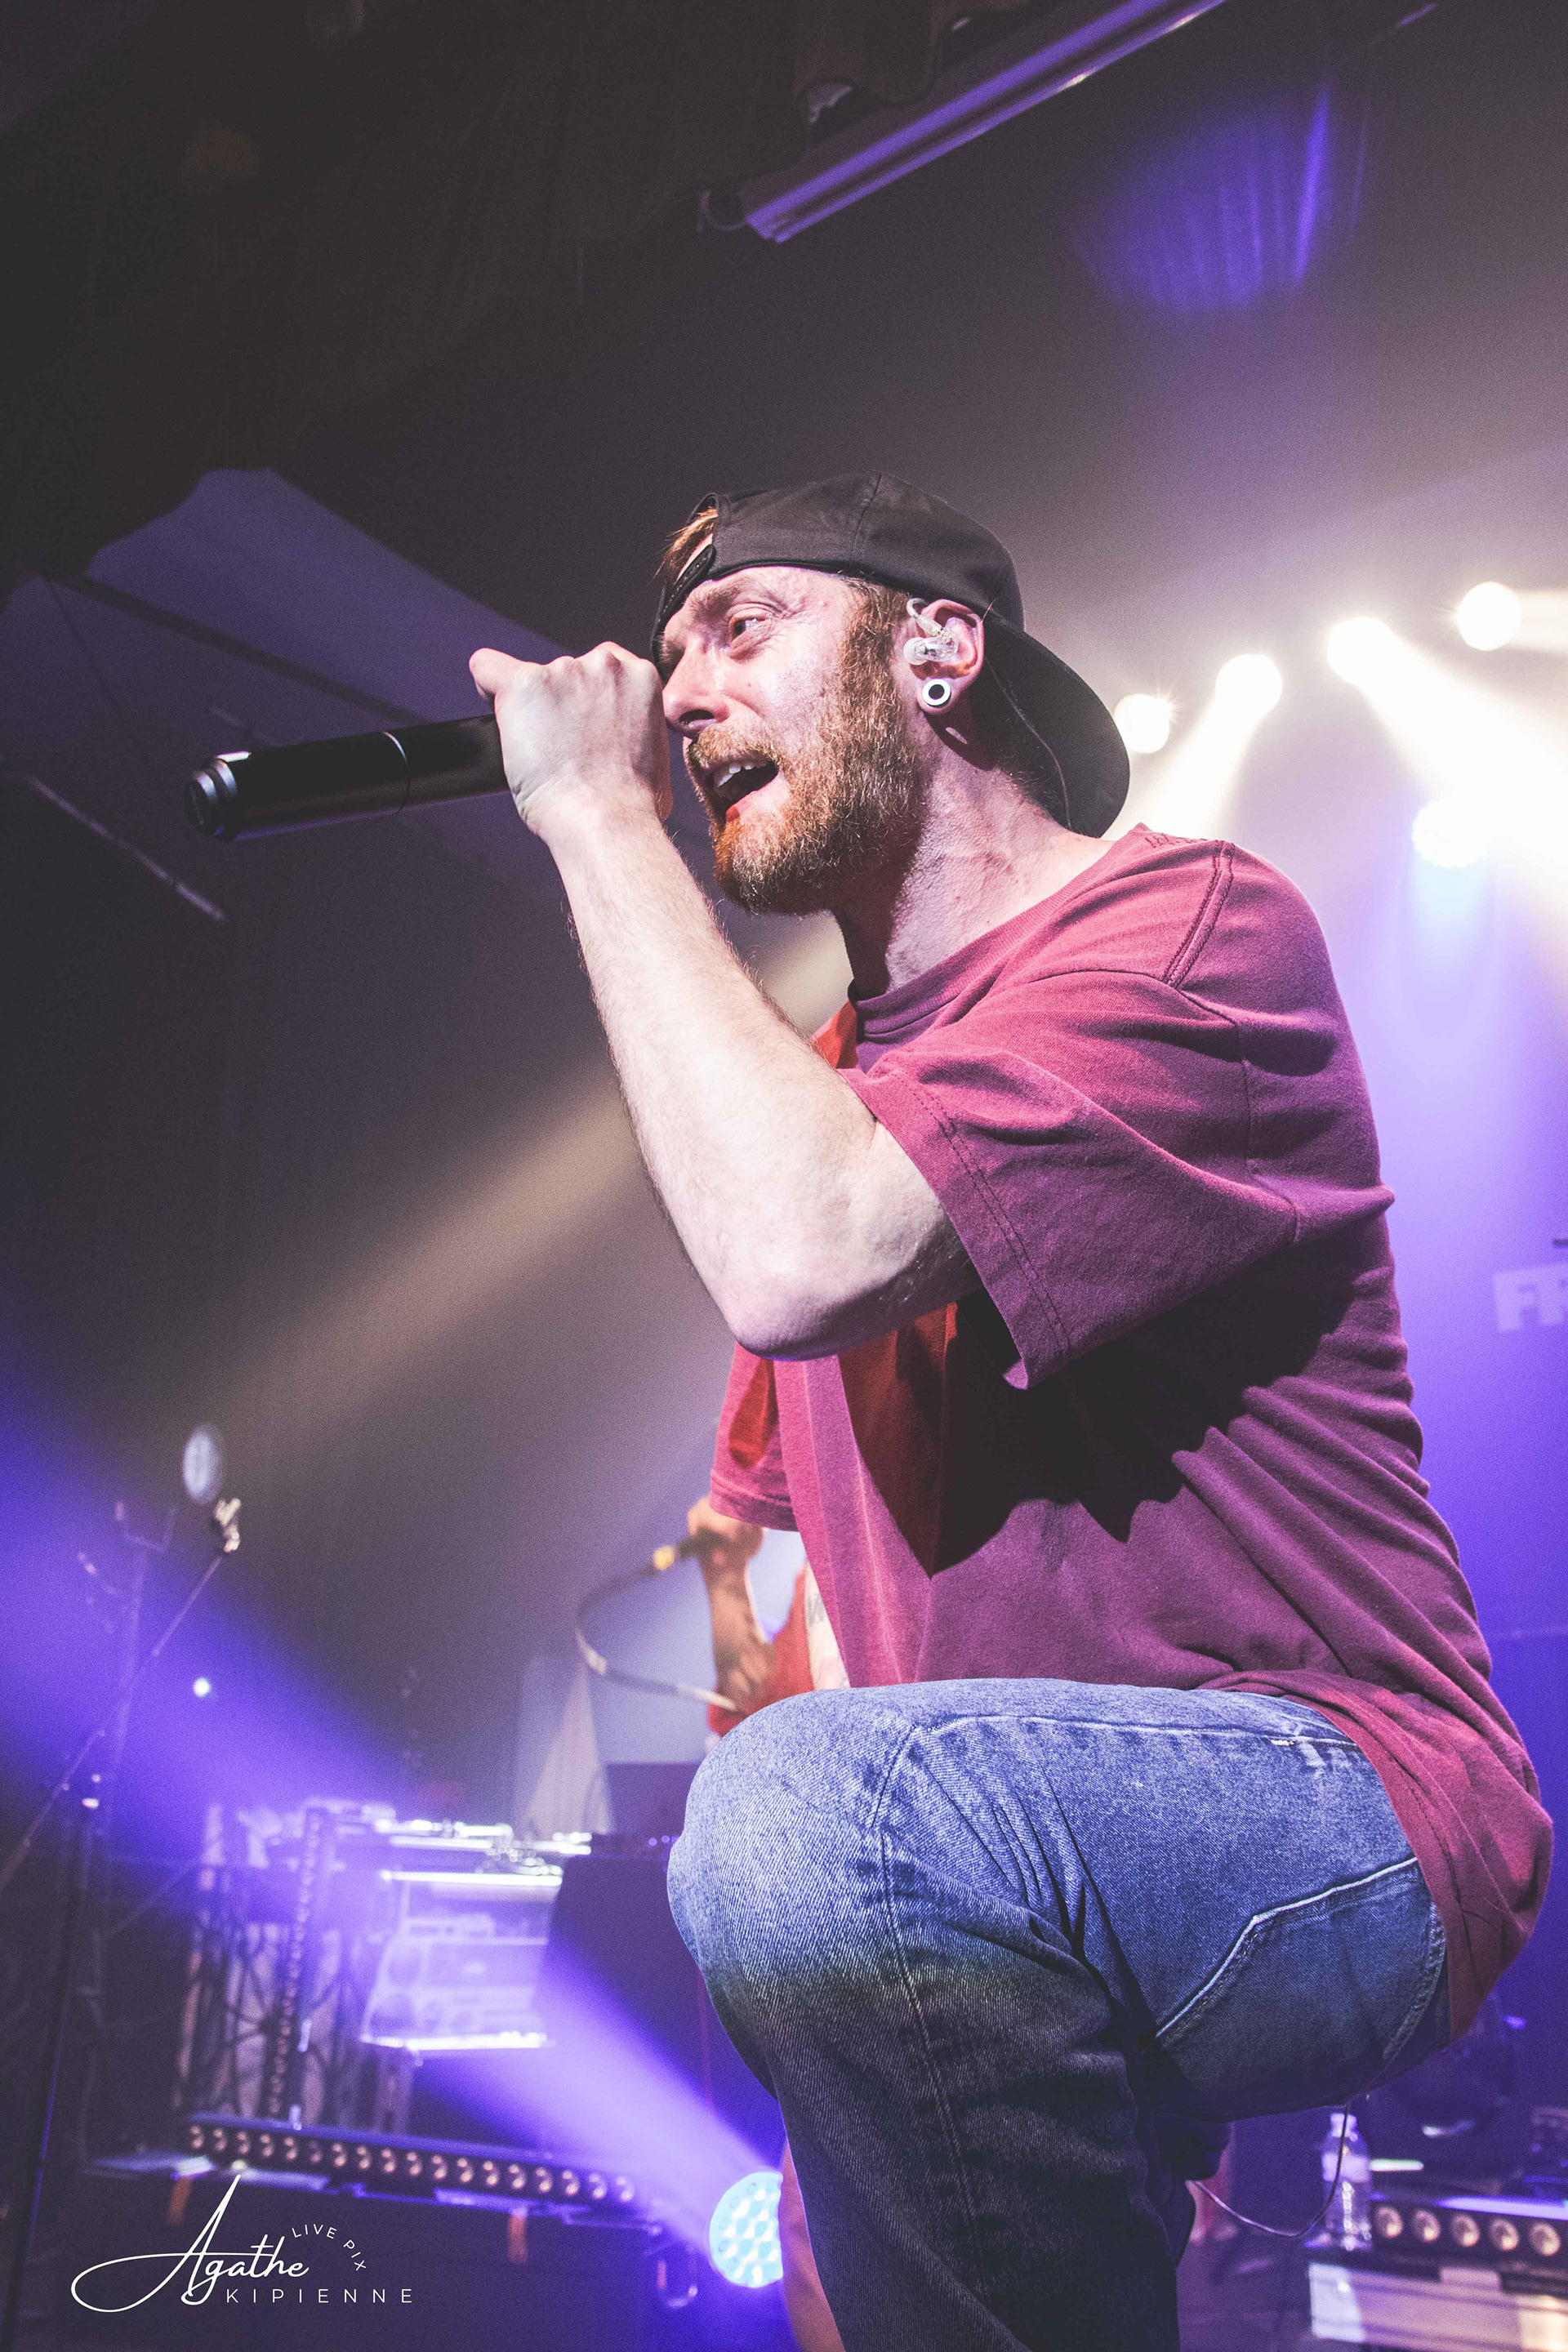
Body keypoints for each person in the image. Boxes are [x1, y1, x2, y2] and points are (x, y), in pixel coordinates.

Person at [470, 475, 1549, 2352]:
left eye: (742, 630)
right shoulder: (820, 1092)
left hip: (1345, 1808)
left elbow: (802, 1251)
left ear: (939, 651)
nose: (687, 697)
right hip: (999, 1850)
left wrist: (595, 817)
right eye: (670, 659)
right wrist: (852, 2074)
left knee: (798, 1810)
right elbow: (798, 1601)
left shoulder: (1186, 932)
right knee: (790, 1879)